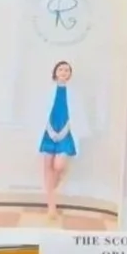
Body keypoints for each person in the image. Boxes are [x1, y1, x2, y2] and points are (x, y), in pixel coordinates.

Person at [38, 59, 76, 217]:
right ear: (55, 73)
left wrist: (63, 131)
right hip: (48, 133)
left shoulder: (73, 93)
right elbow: (41, 111)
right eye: (61, 69)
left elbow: (75, 115)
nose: (64, 72)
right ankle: (51, 207)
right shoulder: (48, 90)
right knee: (48, 169)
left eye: (67, 70)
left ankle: (54, 186)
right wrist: (50, 130)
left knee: (59, 166)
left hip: (65, 134)